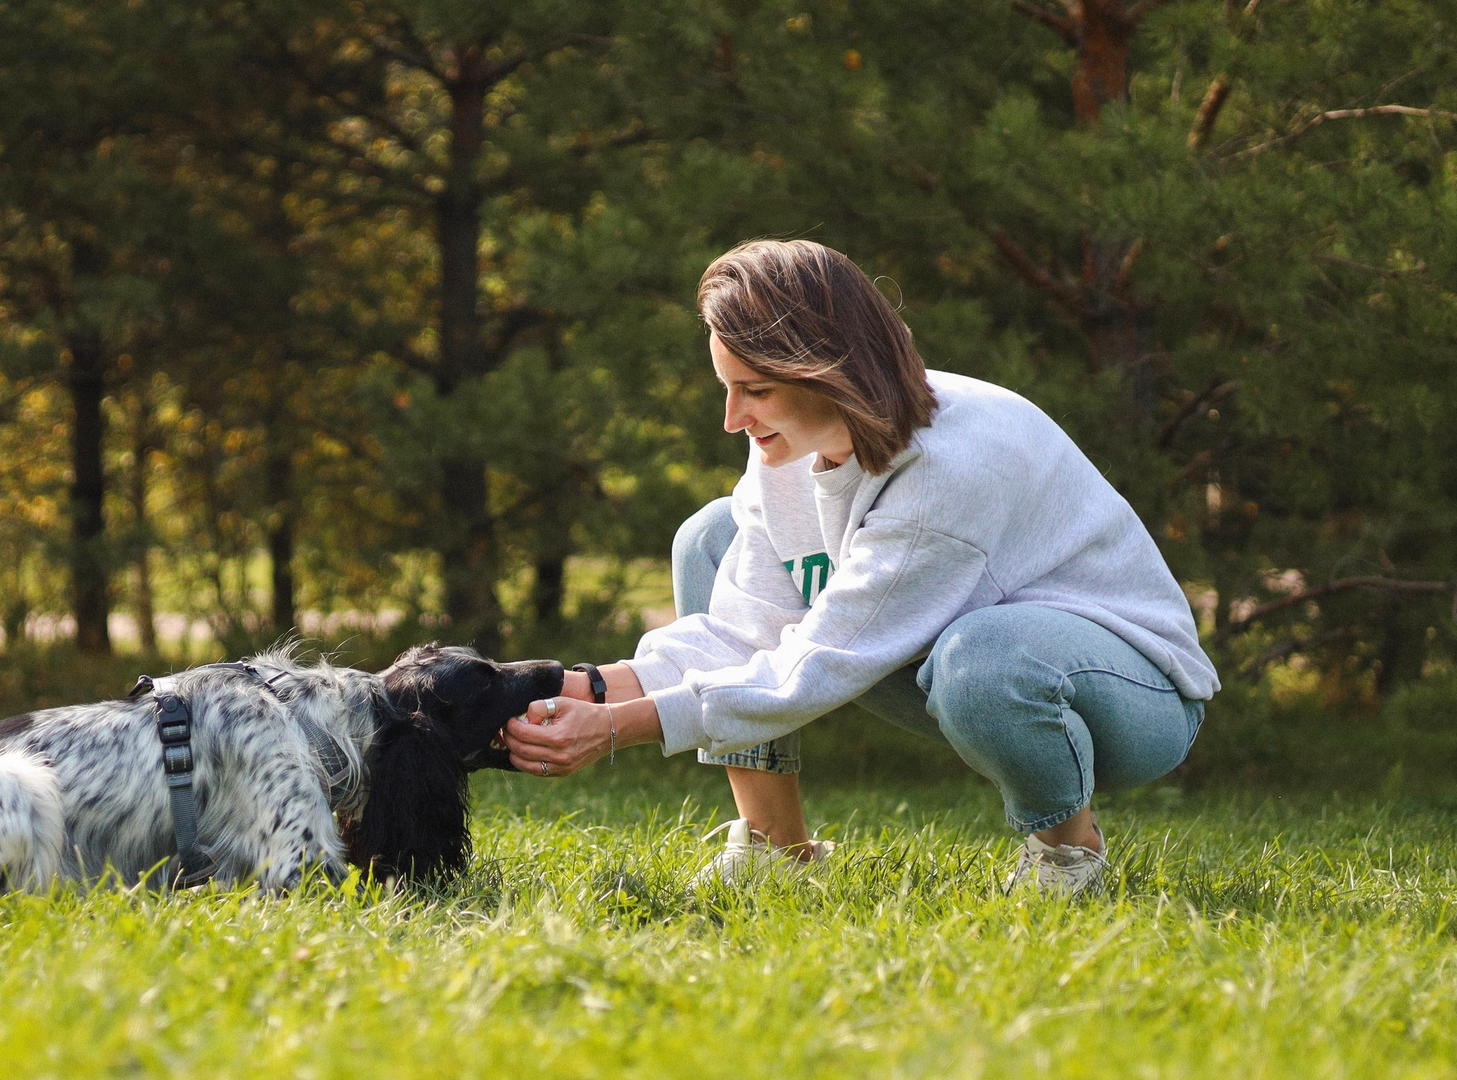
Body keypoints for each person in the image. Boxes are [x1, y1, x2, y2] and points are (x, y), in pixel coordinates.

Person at [502, 239, 1218, 897]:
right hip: (949, 660)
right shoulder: (789, 439)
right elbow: (748, 630)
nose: (731, 417)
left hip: (1129, 694)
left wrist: (618, 727)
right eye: (728, 386)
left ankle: (1069, 853)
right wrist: (587, 689)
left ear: (826, 367)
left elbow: (818, 662)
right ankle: (774, 850)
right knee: (710, 537)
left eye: (753, 389)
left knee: (986, 654)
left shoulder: (950, 466)